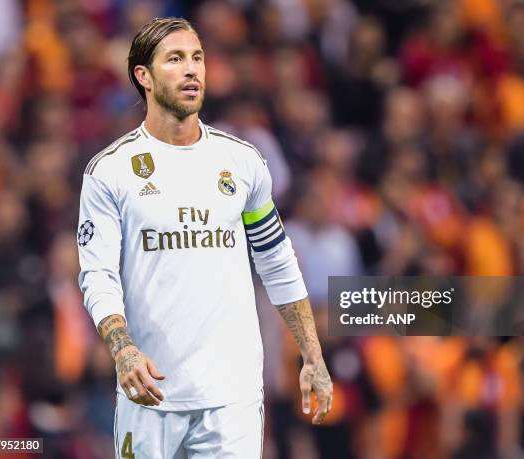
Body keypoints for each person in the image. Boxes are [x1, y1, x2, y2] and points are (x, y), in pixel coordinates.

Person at [76, 17, 332, 458]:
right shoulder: (110, 172)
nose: (192, 69)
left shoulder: (242, 162)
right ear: (144, 76)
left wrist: (312, 355)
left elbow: (276, 260)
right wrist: (123, 351)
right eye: (175, 59)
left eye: (197, 58)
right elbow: (96, 274)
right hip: (151, 393)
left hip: (233, 397)